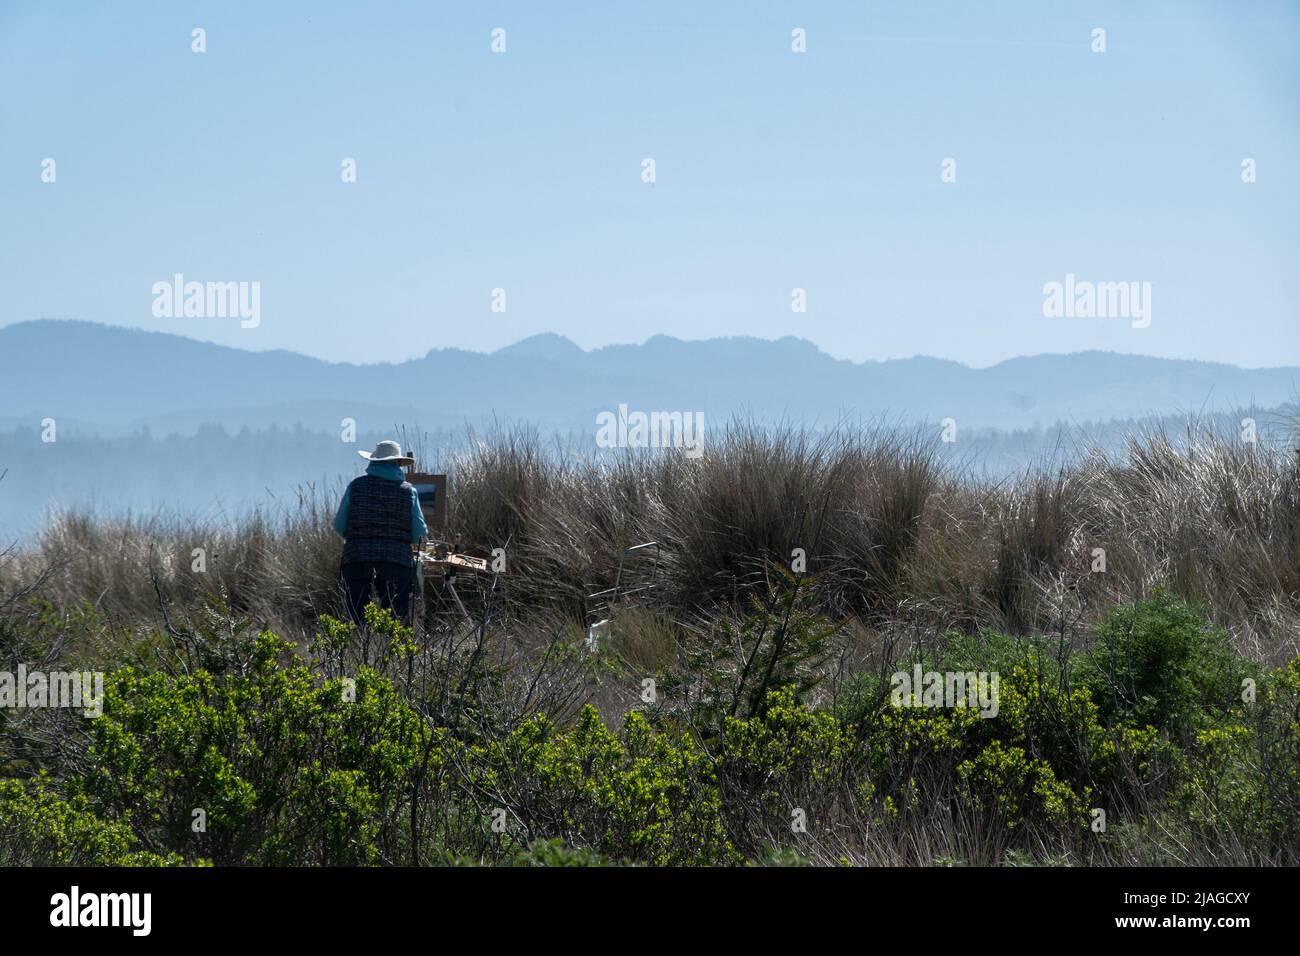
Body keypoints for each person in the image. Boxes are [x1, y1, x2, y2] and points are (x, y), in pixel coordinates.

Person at [334, 440, 429, 625]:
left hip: (357, 559)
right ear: (398, 464)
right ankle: (394, 653)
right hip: (396, 561)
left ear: (372, 462)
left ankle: (357, 652)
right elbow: (419, 534)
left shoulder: (356, 486)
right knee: (396, 619)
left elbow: (339, 525)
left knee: (357, 617)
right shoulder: (409, 492)